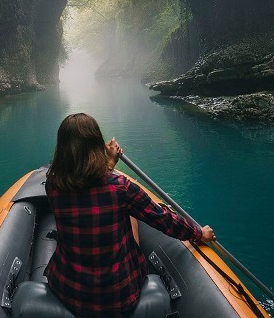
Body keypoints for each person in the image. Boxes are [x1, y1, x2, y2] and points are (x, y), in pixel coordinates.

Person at [45, 113, 215, 318]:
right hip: (121, 294)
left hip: (70, 292)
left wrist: (108, 164)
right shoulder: (121, 188)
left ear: (62, 149)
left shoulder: (53, 186)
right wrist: (199, 234)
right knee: (130, 213)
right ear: (96, 144)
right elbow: (164, 219)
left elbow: (85, 189)